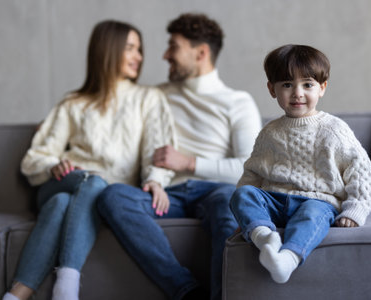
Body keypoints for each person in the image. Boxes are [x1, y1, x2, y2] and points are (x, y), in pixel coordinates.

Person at [3, 20, 175, 300]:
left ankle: (15, 295)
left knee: (65, 203)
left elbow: (156, 150)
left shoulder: (149, 99)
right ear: (108, 50)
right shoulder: (73, 103)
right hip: (61, 183)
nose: (139, 57)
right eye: (131, 48)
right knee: (84, 185)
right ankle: (67, 286)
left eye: (139, 49)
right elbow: (35, 157)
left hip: (99, 195)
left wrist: (156, 180)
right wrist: (53, 164)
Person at [98, 13, 261, 300]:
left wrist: (188, 162)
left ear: (201, 53)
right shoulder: (153, 96)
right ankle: (187, 292)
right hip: (164, 193)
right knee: (113, 196)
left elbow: (251, 168)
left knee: (230, 202)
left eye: (173, 47)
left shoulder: (237, 102)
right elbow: (102, 110)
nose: (164, 55)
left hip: (215, 191)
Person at [230, 44, 371, 284]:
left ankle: (288, 258)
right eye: (287, 85)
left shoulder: (334, 129)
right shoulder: (269, 132)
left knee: (312, 213)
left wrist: (355, 208)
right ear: (272, 89)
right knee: (242, 194)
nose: (297, 92)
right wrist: (246, 220)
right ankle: (264, 236)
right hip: (275, 202)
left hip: (318, 200)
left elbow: (359, 169)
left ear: (322, 88)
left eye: (307, 84)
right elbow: (252, 174)